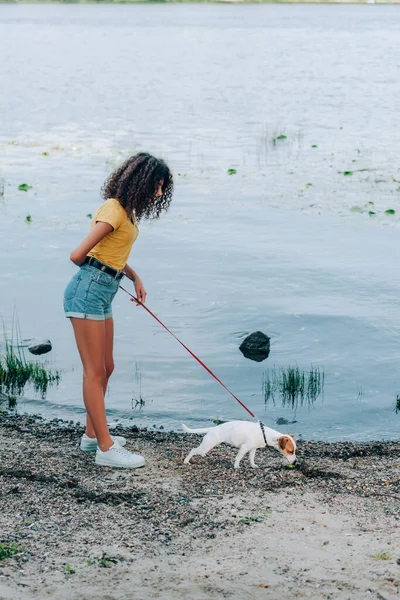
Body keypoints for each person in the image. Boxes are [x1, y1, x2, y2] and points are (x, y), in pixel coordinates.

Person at [63, 152, 173, 469]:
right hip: (87, 292)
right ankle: (106, 448)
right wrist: (101, 273)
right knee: (94, 372)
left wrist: (134, 276)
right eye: (157, 186)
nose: (160, 192)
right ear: (142, 181)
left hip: (102, 293)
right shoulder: (113, 209)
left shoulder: (128, 213)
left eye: (162, 187)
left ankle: (90, 435)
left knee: (106, 368)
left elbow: (112, 252)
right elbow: (78, 254)